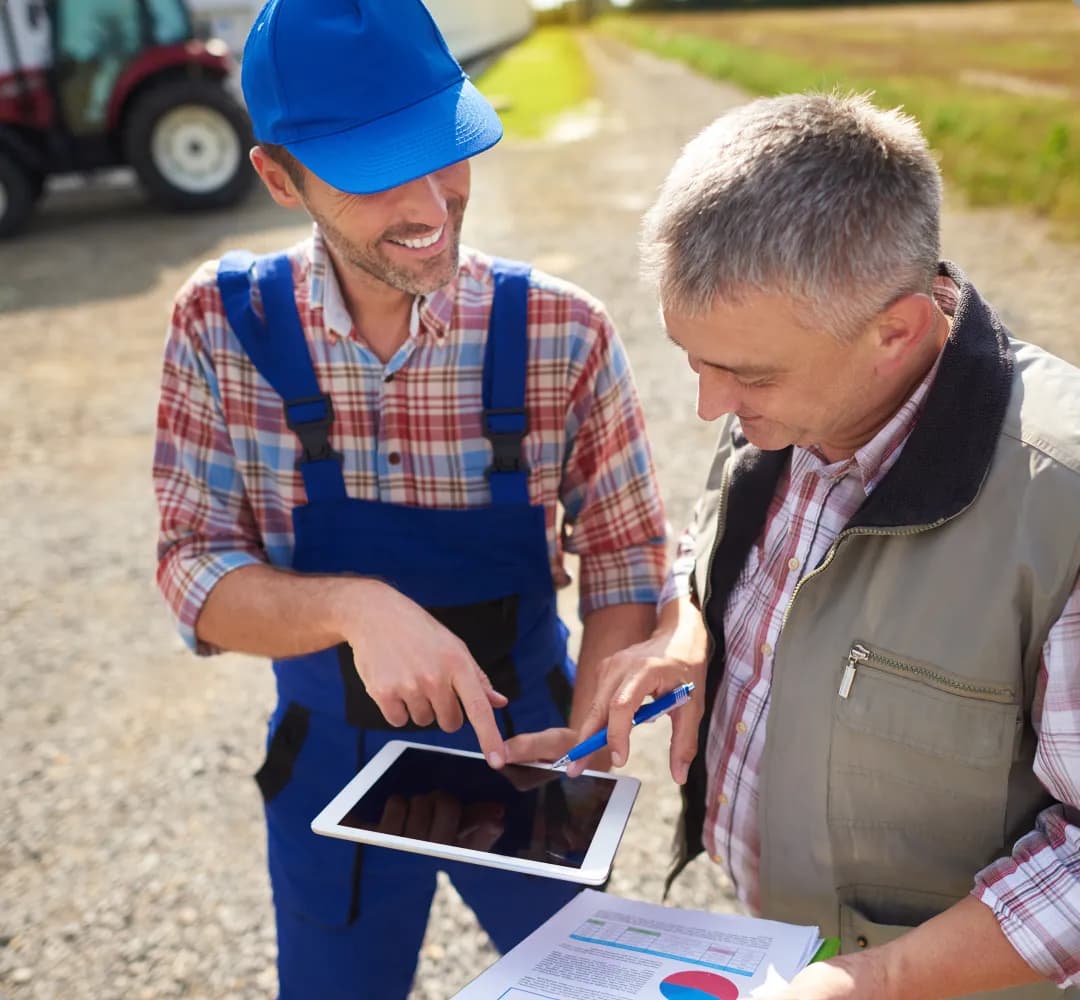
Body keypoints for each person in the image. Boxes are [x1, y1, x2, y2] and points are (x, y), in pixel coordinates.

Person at [151, 0, 667, 996]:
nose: (432, 202)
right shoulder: (220, 325)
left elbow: (626, 559)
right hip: (327, 761)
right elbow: (191, 571)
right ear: (279, 178)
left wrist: (591, 732)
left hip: (532, 743)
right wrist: (355, 609)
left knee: (582, 985)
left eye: (444, 148)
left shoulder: (563, 332)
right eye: (376, 171)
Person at [567, 92, 1080, 999]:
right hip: (783, 947)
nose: (711, 407)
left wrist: (873, 980)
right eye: (693, 358)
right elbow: (710, 538)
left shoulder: (1063, 508)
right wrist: (688, 628)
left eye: (747, 375)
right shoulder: (792, 393)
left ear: (897, 331)